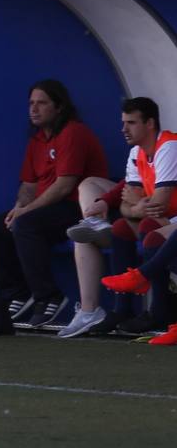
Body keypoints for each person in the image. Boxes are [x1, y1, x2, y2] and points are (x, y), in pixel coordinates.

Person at [0, 79, 108, 326]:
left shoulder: (73, 132)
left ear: (59, 107)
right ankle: (15, 293)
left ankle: (48, 296)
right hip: (46, 208)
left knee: (26, 225)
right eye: (31, 103)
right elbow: (29, 186)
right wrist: (19, 208)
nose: (34, 109)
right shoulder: (37, 140)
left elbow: (64, 186)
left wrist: (25, 213)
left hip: (79, 207)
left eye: (42, 103)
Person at [61, 97, 173, 338]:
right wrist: (134, 207)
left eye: (131, 123)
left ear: (150, 123)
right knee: (122, 226)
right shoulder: (136, 152)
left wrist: (136, 205)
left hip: (170, 220)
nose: (123, 129)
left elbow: (160, 203)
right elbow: (126, 204)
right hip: (164, 219)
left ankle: (160, 311)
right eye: (123, 123)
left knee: (150, 226)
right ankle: (122, 309)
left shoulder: (169, 146)